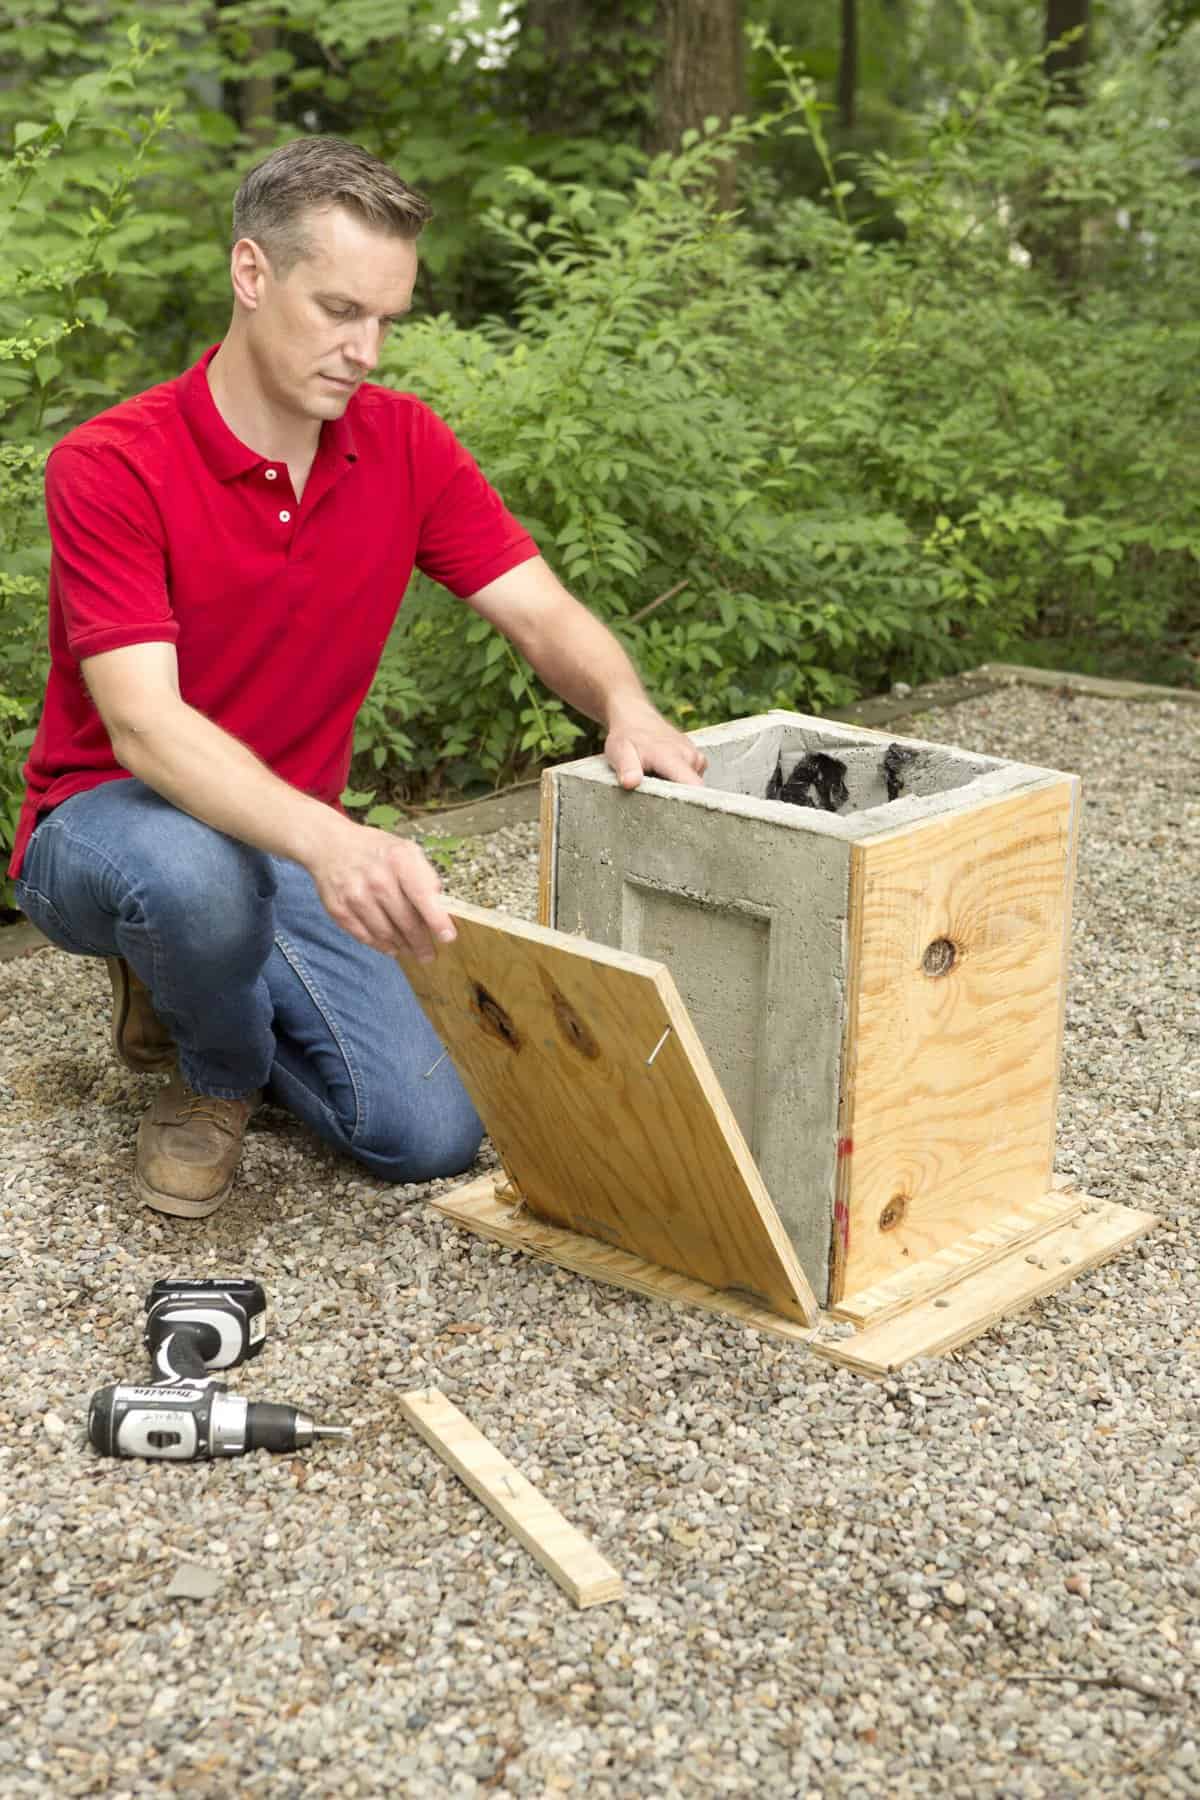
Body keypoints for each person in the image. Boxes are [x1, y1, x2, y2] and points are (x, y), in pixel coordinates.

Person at [8, 136, 706, 1221]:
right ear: (252, 274)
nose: (367, 350)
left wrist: (626, 704)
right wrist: (337, 842)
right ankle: (216, 1075)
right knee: (193, 879)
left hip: (278, 841)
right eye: (339, 310)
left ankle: (189, 980)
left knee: (427, 1134)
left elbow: (539, 609)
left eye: (388, 319)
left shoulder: (404, 445)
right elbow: (142, 725)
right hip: (105, 826)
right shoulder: (114, 463)